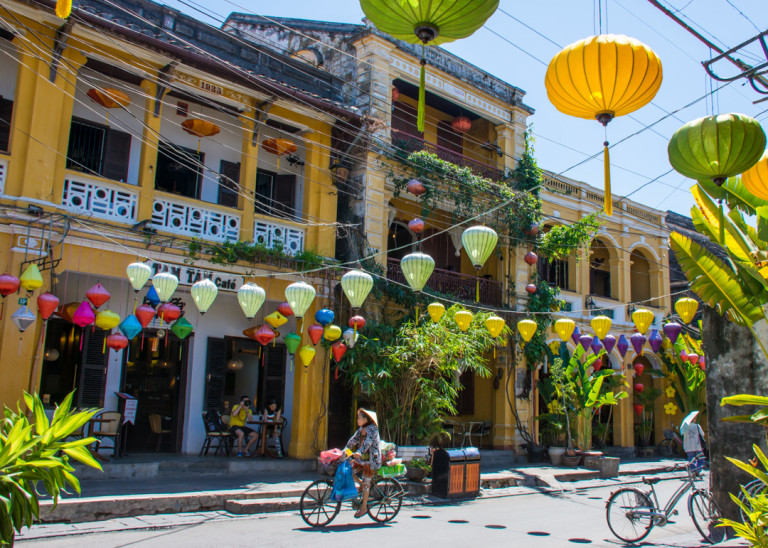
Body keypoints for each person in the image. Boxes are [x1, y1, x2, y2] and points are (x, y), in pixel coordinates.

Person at [344, 408, 382, 518]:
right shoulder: (361, 429)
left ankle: (364, 507)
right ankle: (361, 484)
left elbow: (367, 443)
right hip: (362, 460)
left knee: (366, 482)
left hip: (372, 461)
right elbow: (352, 441)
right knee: (349, 472)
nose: (357, 420)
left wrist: (359, 452)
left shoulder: (373, 430)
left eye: (359, 418)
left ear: (365, 419)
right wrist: (345, 450)